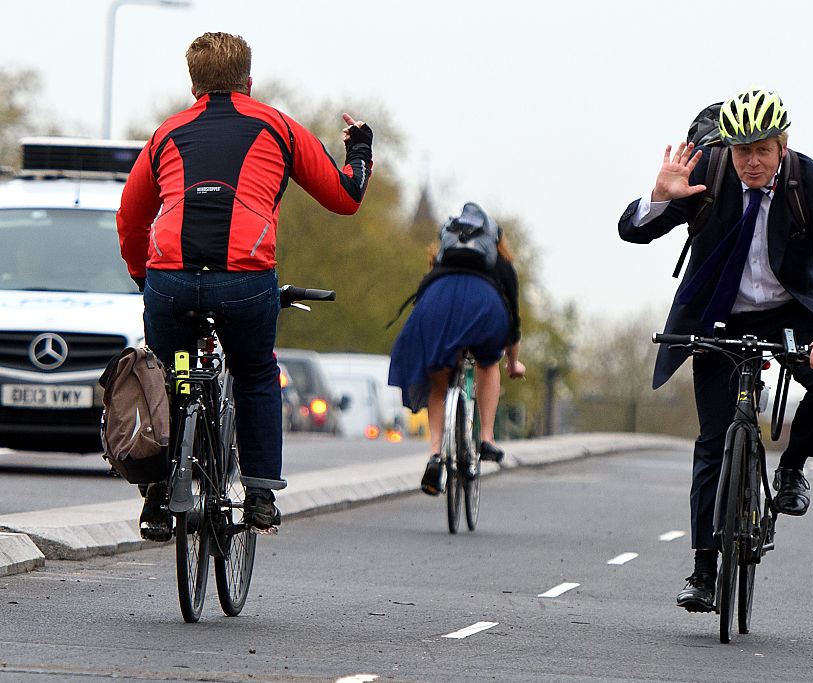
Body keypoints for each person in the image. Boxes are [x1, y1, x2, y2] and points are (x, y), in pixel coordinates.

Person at [117, 32, 373, 540]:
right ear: (249, 83)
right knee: (255, 372)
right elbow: (346, 196)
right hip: (246, 281)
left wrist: (145, 277)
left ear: (194, 86)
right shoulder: (277, 126)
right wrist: (361, 149)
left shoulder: (166, 134)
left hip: (170, 279)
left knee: (165, 378)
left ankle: (155, 496)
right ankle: (258, 495)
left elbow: (130, 218)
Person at [617, 87, 813, 612]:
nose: (750, 161)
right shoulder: (710, 172)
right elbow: (633, 232)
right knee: (713, 438)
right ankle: (704, 569)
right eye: (741, 149)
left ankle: (792, 466)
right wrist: (660, 197)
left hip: (793, 310)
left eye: (762, 150)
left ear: (782, 146)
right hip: (720, 311)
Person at [388, 202, 526, 495]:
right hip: (484, 306)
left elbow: (423, 294)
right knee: (488, 362)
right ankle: (486, 438)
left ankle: (436, 454)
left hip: (437, 304)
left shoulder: (442, 259)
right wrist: (513, 363)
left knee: (440, 385)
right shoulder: (501, 265)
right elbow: (513, 323)